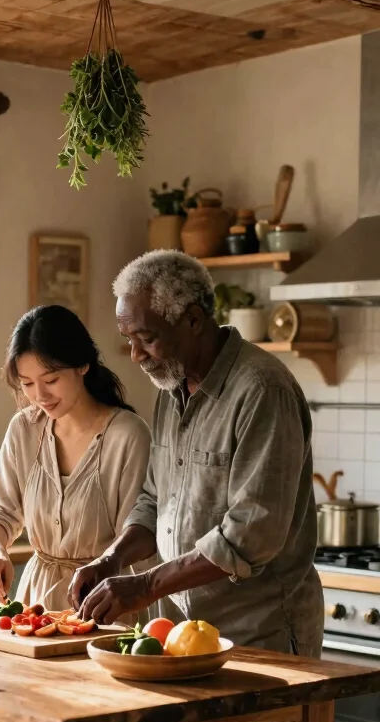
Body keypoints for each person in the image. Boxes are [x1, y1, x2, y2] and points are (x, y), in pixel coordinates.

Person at [69, 250, 324, 657]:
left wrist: (145, 585)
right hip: (181, 633)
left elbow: (249, 536)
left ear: (192, 320)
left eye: (146, 339)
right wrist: (112, 560)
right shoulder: (172, 389)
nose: (135, 356)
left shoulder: (262, 390)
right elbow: (154, 501)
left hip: (258, 634)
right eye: (128, 341)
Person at [0, 304, 151, 609]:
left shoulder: (127, 435)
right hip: (35, 600)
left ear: (82, 365)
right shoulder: (24, 429)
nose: (39, 395)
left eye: (51, 380)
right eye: (27, 383)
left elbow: (137, 534)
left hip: (103, 599)